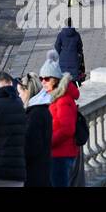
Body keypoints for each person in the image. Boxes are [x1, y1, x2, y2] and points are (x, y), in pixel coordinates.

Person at [40, 52, 80, 187]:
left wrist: (48, 142)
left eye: (46, 79)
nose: (43, 82)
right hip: (57, 153)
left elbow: (67, 129)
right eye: (41, 79)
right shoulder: (55, 97)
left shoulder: (63, 100)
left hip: (61, 154)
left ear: (55, 79)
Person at [18, 73, 54, 187]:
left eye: (20, 93)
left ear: (27, 91)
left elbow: (30, 147)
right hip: (42, 171)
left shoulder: (34, 115)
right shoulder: (42, 110)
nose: (19, 96)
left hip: (34, 175)